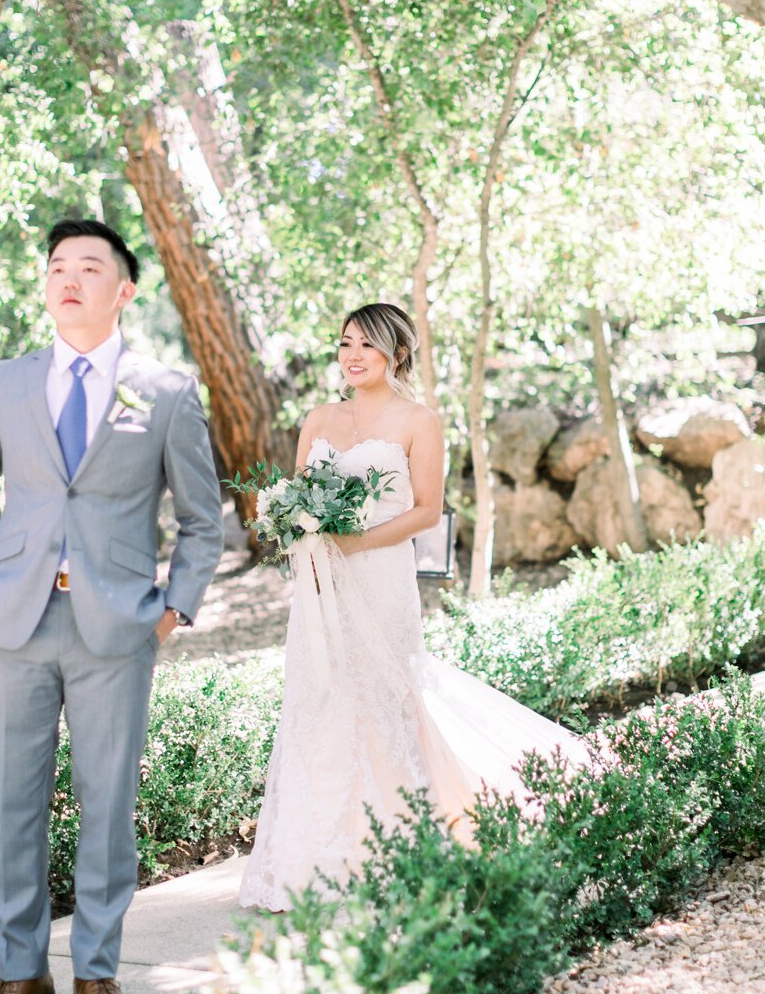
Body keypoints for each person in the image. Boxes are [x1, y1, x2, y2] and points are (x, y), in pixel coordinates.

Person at [0, 218, 224, 994]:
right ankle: (19, 974)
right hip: (14, 626)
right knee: (14, 807)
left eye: (89, 267)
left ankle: (98, 974)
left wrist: (172, 609)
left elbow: (202, 521)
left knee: (108, 806)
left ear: (123, 289)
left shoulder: (165, 392)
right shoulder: (4, 383)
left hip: (116, 628)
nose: (68, 278)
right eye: (57, 266)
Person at [238, 301, 587, 912]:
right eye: (345, 343)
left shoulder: (419, 420)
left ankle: (398, 848)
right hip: (320, 584)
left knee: (386, 696)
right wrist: (304, 538)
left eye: (367, 346)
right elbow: (296, 502)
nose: (352, 356)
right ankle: (310, 862)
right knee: (319, 700)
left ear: (397, 353)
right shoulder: (318, 417)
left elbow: (426, 510)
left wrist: (355, 542)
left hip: (380, 576)